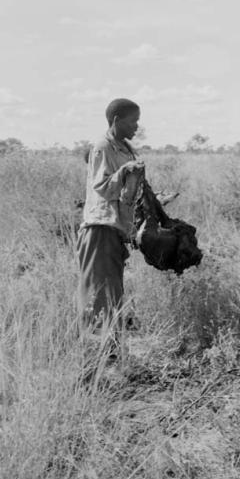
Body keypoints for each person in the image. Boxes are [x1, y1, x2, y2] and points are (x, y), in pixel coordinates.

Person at [76, 98, 146, 342]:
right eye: (132, 121)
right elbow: (104, 188)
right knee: (98, 296)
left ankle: (110, 350)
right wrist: (125, 171)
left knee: (112, 294)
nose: (136, 127)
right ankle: (95, 353)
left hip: (116, 230)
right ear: (116, 120)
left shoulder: (125, 148)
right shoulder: (103, 147)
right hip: (100, 230)